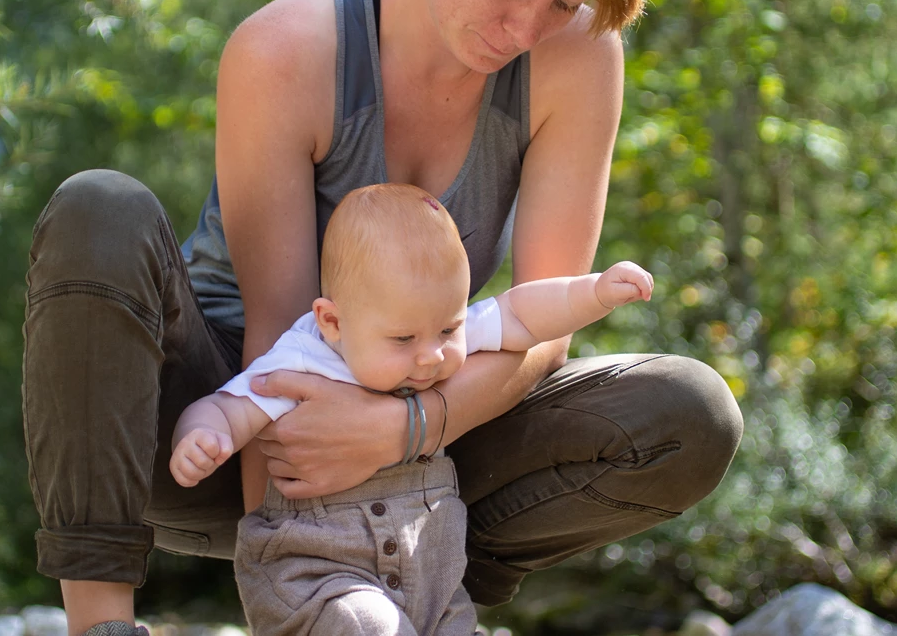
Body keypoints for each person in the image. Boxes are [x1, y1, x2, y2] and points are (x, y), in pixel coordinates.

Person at [21, 0, 745, 635]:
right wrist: (287, 577)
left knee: (687, 410)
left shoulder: (579, 54)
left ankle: (425, 596)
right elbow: (277, 332)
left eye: (563, 4)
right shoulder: (285, 49)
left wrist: (408, 430)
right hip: (223, 431)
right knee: (98, 207)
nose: (525, 28)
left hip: (425, 464)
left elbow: (543, 326)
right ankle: (99, 625)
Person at [168, 183, 654, 634]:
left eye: (449, 330)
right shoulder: (303, 359)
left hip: (433, 583)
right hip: (316, 577)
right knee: (372, 625)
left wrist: (591, 293)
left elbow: (519, 313)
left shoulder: (433, 327)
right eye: (403, 339)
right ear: (333, 321)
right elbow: (228, 407)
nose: (432, 355)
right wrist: (203, 436)